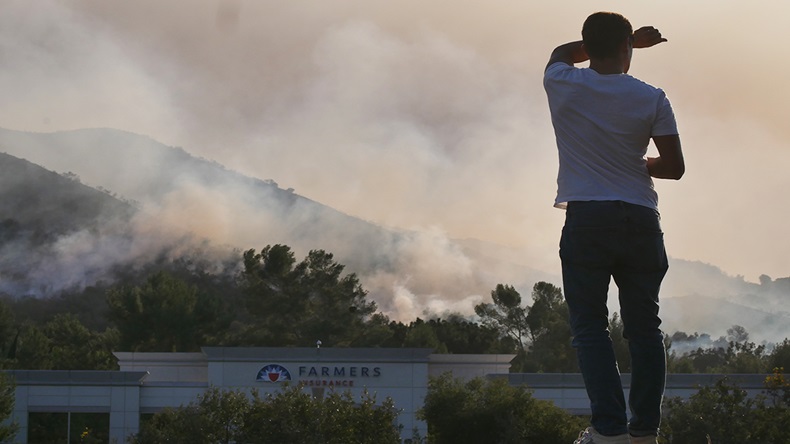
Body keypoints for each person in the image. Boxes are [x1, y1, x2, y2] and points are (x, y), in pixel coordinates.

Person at [543, 12, 685, 444]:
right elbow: (674, 168)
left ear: (588, 45)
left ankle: (609, 431)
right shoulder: (652, 97)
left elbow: (560, 52)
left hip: (588, 219)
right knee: (645, 329)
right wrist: (639, 162)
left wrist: (627, 42)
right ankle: (644, 432)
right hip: (640, 219)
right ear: (625, 46)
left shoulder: (562, 82)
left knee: (590, 327)